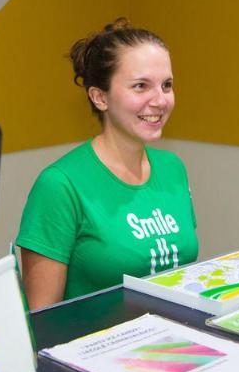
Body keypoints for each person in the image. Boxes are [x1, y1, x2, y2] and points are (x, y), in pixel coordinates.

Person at [16, 18, 198, 310]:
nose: (160, 100)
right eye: (141, 86)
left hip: (172, 345)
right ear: (100, 97)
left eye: (167, 85)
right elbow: (40, 321)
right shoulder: (60, 185)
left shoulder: (173, 169)